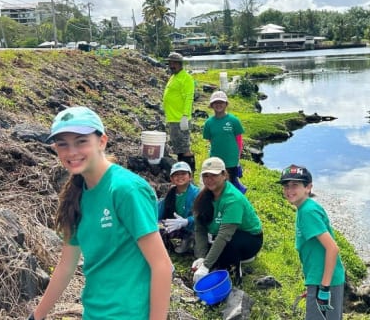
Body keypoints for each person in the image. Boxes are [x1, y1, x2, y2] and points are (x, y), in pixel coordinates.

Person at [29, 106, 172, 320]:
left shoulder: (125, 190)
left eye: (81, 141)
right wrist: (37, 316)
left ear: (102, 142)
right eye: (63, 144)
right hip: (94, 312)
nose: (71, 152)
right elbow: (66, 266)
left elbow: (162, 266)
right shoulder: (75, 195)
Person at [279, 164, 346, 320]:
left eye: (295, 185)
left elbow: (332, 248)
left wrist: (324, 287)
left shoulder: (308, 212)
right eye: (286, 186)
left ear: (308, 187)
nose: (289, 190)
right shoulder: (305, 208)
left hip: (324, 282)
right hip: (318, 279)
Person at [190, 157, 263, 284]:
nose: (209, 180)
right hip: (221, 233)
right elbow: (199, 228)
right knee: (207, 250)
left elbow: (225, 235)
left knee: (226, 249)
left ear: (224, 175)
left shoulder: (233, 199)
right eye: (206, 176)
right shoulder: (204, 196)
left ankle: (237, 269)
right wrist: (202, 256)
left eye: (214, 175)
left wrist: (206, 265)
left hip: (248, 237)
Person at [202, 90, 247, 193]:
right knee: (217, 182)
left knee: (231, 183)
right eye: (216, 103)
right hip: (216, 158)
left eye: (221, 102)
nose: (218, 105)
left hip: (231, 159)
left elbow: (239, 139)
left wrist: (237, 155)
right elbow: (210, 139)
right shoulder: (209, 123)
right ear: (212, 105)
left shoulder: (234, 120)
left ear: (226, 104)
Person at [162, 51, 195, 172]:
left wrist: (185, 116)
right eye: (170, 63)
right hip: (172, 118)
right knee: (178, 147)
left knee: (184, 147)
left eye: (174, 63)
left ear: (180, 64)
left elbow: (188, 98)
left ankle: (190, 171)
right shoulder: (174, 76)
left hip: (180, 118)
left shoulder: (186, 78)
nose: (172, 65)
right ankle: (182, 170)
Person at [158, 161, 200, 254]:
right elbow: (160, 209)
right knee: (157, 227)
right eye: (176, 174)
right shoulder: (171, 194)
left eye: (183, 174)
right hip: (175, 224)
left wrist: (187, 221)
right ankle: (167, 247)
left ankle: (190, 239)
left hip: (193, 227)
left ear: (190, 176)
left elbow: (202, 215)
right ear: (171, 179)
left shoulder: (197, 194)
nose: (180, 177)